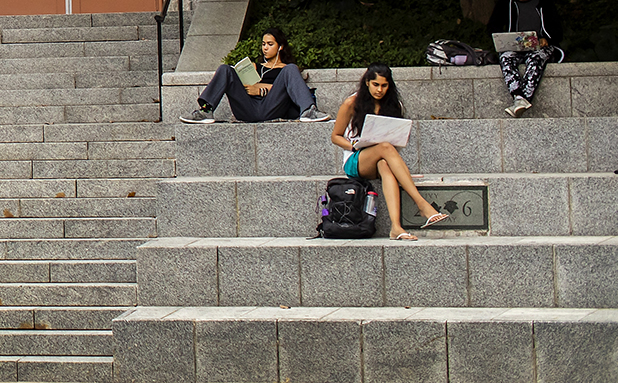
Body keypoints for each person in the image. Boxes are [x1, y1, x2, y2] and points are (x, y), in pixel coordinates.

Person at [330, 63, 449, 240]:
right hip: (356, 160)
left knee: (385, 164)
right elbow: (336, 136)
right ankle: (421, 203)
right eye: (376, 85)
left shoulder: (395, 105)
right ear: (367, 83)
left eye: (384, 85)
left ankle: (396, 228)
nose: (380, 90)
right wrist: (354, 145)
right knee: (385, 147)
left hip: (381, 158)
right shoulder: (351, 103)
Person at [178, 28, 331, 124]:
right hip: (247, 108)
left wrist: (261, 89)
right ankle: (206, 110)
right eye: (263, 44)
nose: (265, 48)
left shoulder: (287, 70)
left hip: (271, 107)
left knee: (291, 69)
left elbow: (288, 93)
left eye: (270, 44)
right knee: (225, 69)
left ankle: (309, 111)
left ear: (280, 47)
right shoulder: (255, 66)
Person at [491, 0, 565, 117]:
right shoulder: (507, 0)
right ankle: (519, 97)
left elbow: (557, 27)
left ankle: (520, 99)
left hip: (542, 47)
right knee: (506, 57)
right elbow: (493, 26)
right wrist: (506, 40)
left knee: (536, 59)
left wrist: (546, 38)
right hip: (516, 48)